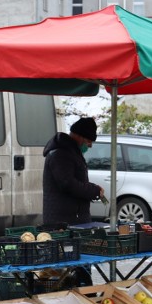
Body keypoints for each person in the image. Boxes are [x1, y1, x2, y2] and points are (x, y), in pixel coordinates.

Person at [42, 116, 104, 286]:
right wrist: (93, 190)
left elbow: (75, 180)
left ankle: (85, 292)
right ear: (80, 136)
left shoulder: (70, 152)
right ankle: (78, 292)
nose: (90, 145)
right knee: (68, 266)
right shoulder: (61, 154)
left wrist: (93, 187)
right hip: (64, 221)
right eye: (89, 140)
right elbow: (67, 184)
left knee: (80, 264)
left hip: (74, 218)